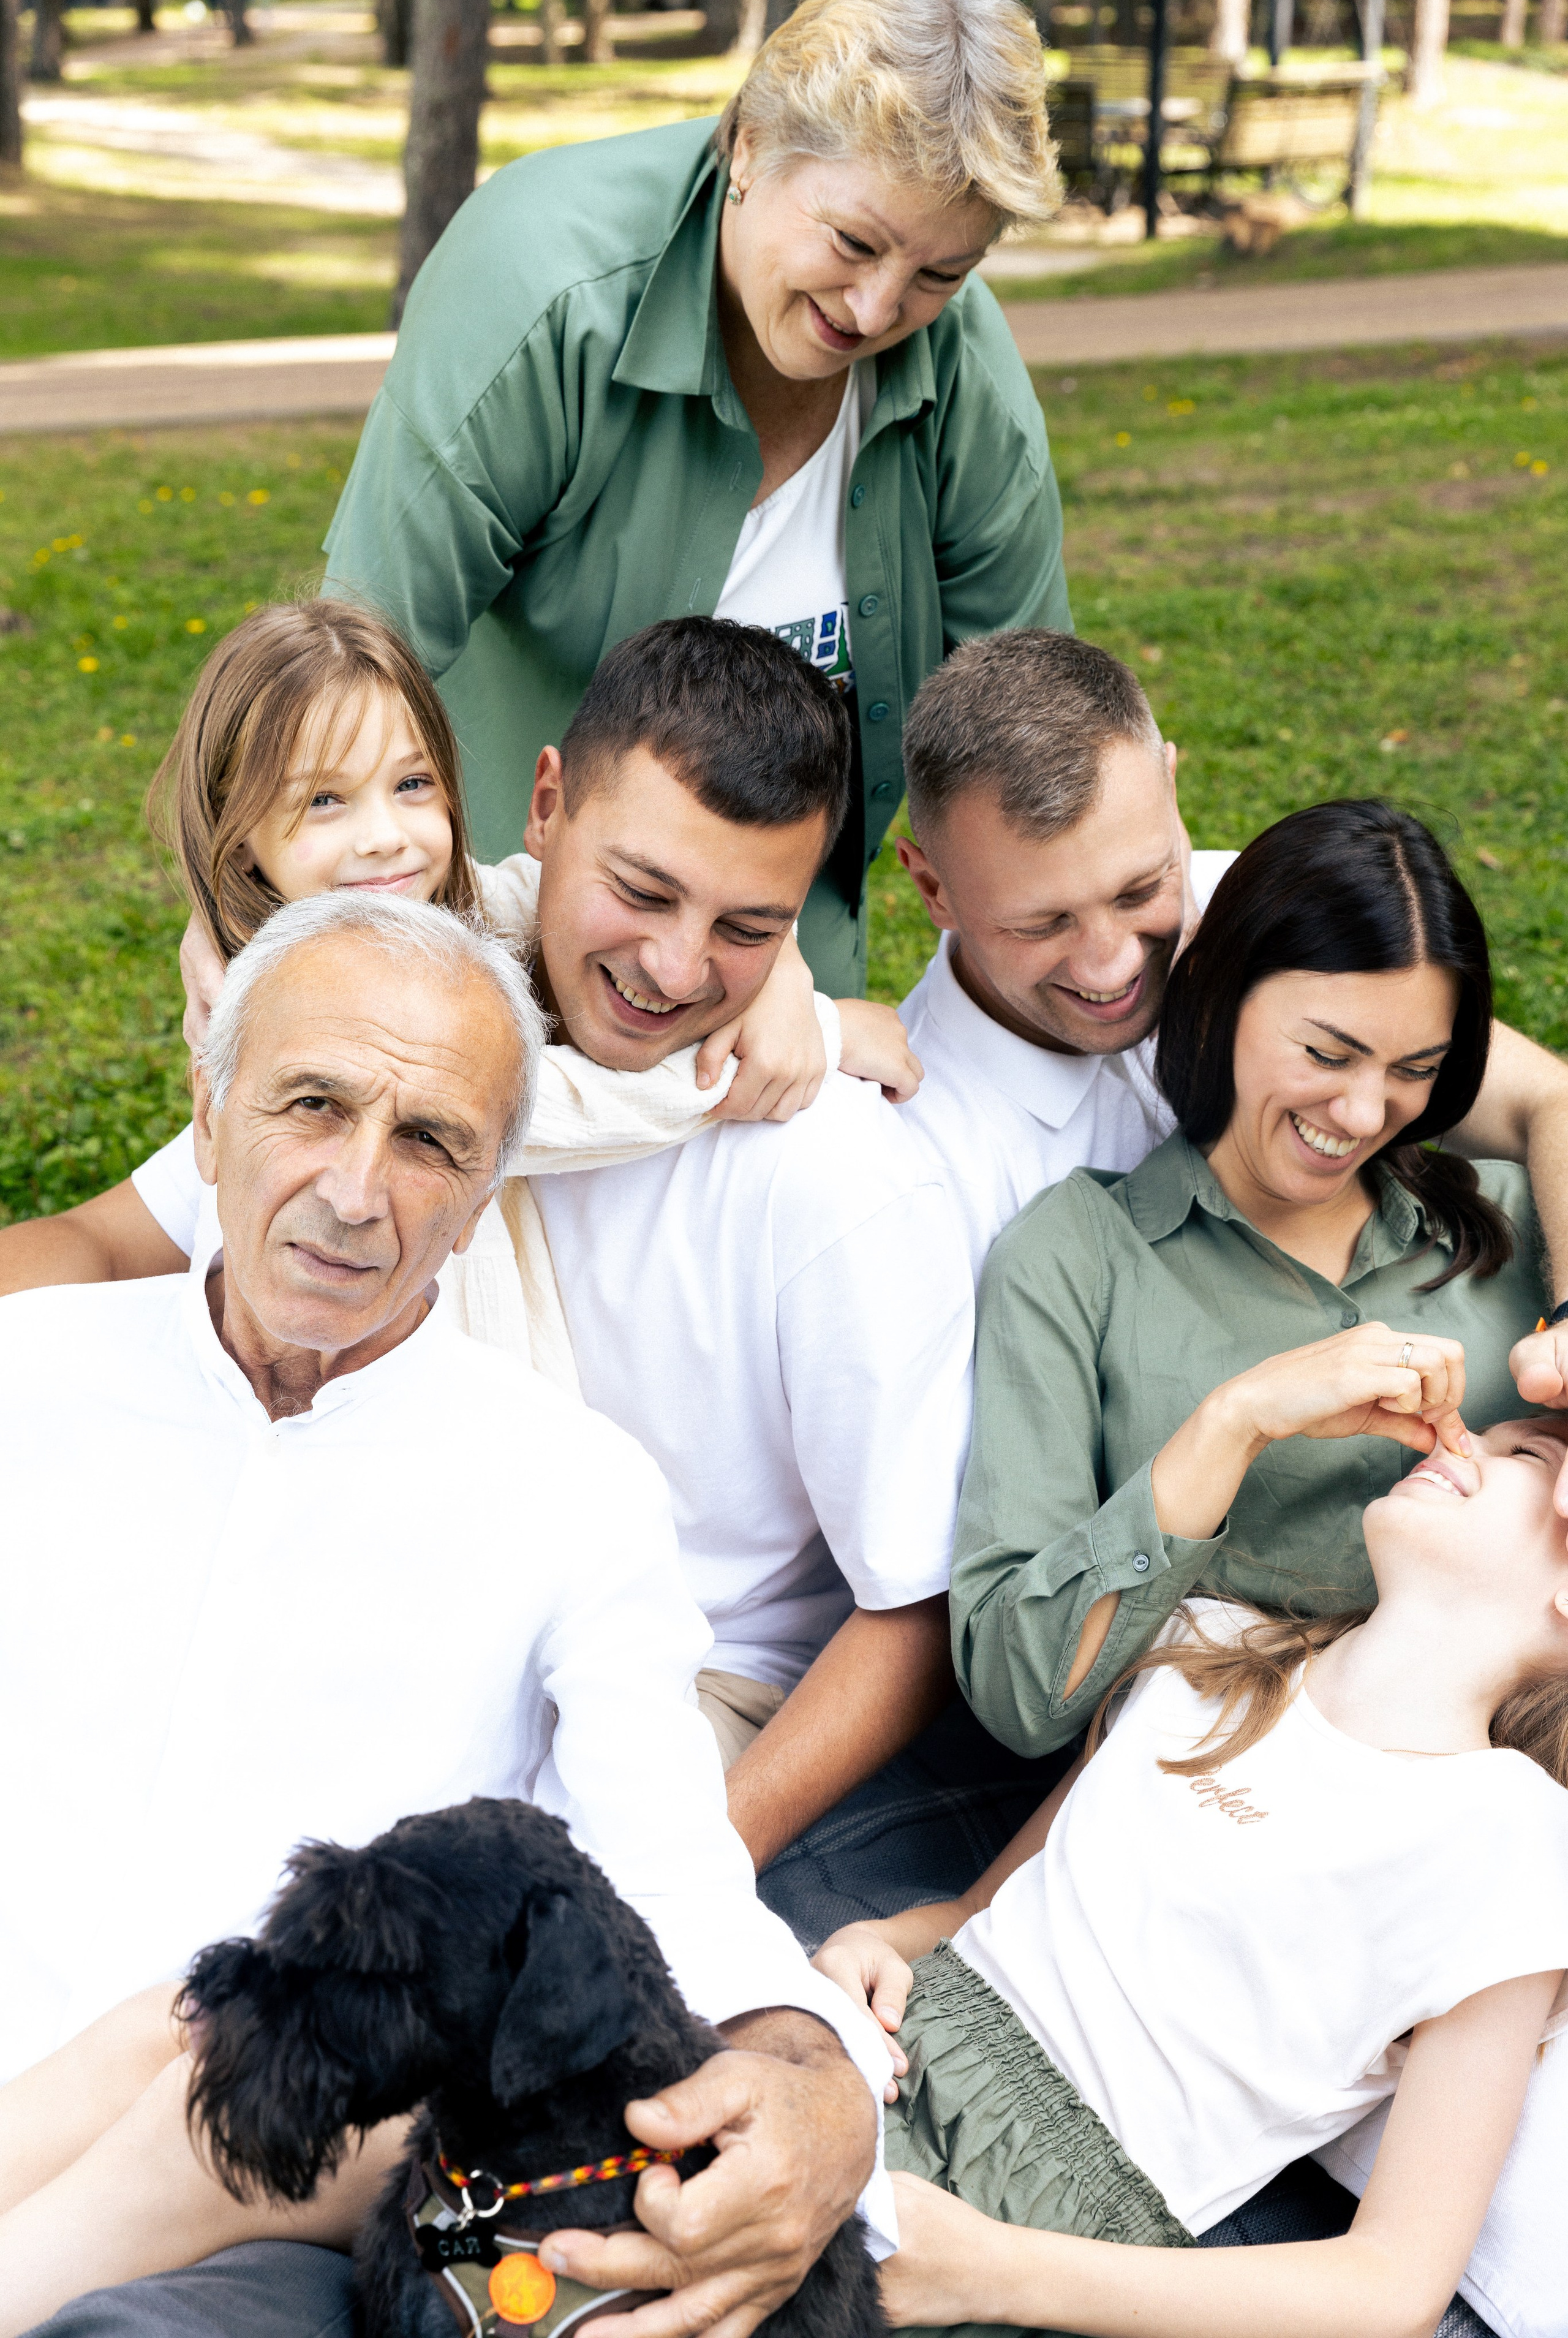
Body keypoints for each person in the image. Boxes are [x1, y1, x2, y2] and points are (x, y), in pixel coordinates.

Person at [0, 894, 891, 2337]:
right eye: (313, 1104)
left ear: (482, 1198)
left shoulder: (570, 1489)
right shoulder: (25, 1370)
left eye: (430, 1143)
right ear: (209, 1106)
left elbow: (663, 1873)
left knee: (190, 2039)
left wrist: (814, 2086)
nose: (357, 1189)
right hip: (51, 2077)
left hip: (268, 2146)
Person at [3, 618, 976, 1873]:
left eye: (749, 928)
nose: (674, 968)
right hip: (408, 1604)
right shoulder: (411, 1042)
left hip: (676, 1687)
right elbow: (103, 1241)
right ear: (543, 807)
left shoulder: (826, 1167)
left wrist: (666, 1873)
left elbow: (913, 1614)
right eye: (639, 890)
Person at [320, 0, 1071, 995]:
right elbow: (355, 663)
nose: (880, 307)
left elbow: (1027, 723)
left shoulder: (959, 358)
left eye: (941, 272)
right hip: (499, 957)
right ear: (750, 147)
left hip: (787, 982)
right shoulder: (542, 289)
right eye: (852, 243)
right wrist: (265, 939)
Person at [812, 1416, 1568, 2338]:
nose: (1463, 1439)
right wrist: (868, 1944)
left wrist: (988, 2273)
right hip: (871, 2053)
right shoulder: (1211, 1647)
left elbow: (1395, 2286)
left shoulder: (1515, 1839)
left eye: (1525, 1455)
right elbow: (976, 1910)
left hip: (1026, 2232)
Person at [0, 599, 916, 1307]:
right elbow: (532, 1109)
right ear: (244, 840)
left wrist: (780, 966)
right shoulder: (300, 1026)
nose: (385, 838)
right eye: (325, 801)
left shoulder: (463, 917)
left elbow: (545, 892)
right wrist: (820, 1039)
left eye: (411, 785)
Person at [951, 798, 1550, 1763]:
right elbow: (1020, 1691)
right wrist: (1240, 1420)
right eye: (1327, 1053)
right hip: (1209, 1822)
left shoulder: (1523, 1222)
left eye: (1416, 1069)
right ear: (1223, 995)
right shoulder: (1077, 1258)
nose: (1362, 1112)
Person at [894, 631, 1568, 1312]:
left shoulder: (1256, 910)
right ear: (932, 887)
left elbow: (1548, 1101)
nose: (1113, 966)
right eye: (1040, 924)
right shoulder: (917, 1163)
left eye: (1141, 890)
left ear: (1171, 784)